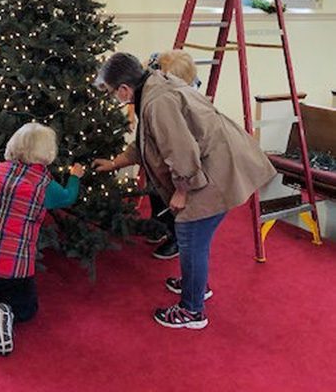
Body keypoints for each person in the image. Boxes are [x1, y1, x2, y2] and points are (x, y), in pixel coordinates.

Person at [93, 52, 276, 329]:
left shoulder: (157, 102)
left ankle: (192, 311)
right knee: (195, 240)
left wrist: (183, 190)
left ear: (123, 89)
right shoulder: (152, 85)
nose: (112, 99)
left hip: (214, 170)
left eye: (110, 93)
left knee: (190, 236)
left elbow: (180, 151)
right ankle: (195, 286)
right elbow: (149, 140)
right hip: (216, 162)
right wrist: (116, 162)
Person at [0, 122, 85, 354]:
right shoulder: (44, 186)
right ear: (47, 152)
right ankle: (6, 312)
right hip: (8, 277)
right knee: (28, 307)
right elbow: (68, 198)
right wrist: (75, 176)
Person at [144, 50, 200, 260]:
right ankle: (158, 225)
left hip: (178, 162)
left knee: (171, 197)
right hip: (159, 153)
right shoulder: (157, 84)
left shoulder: (184, 100)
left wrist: (182, 188)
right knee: (154, 189)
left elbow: (182, 150)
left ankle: (176, 238)